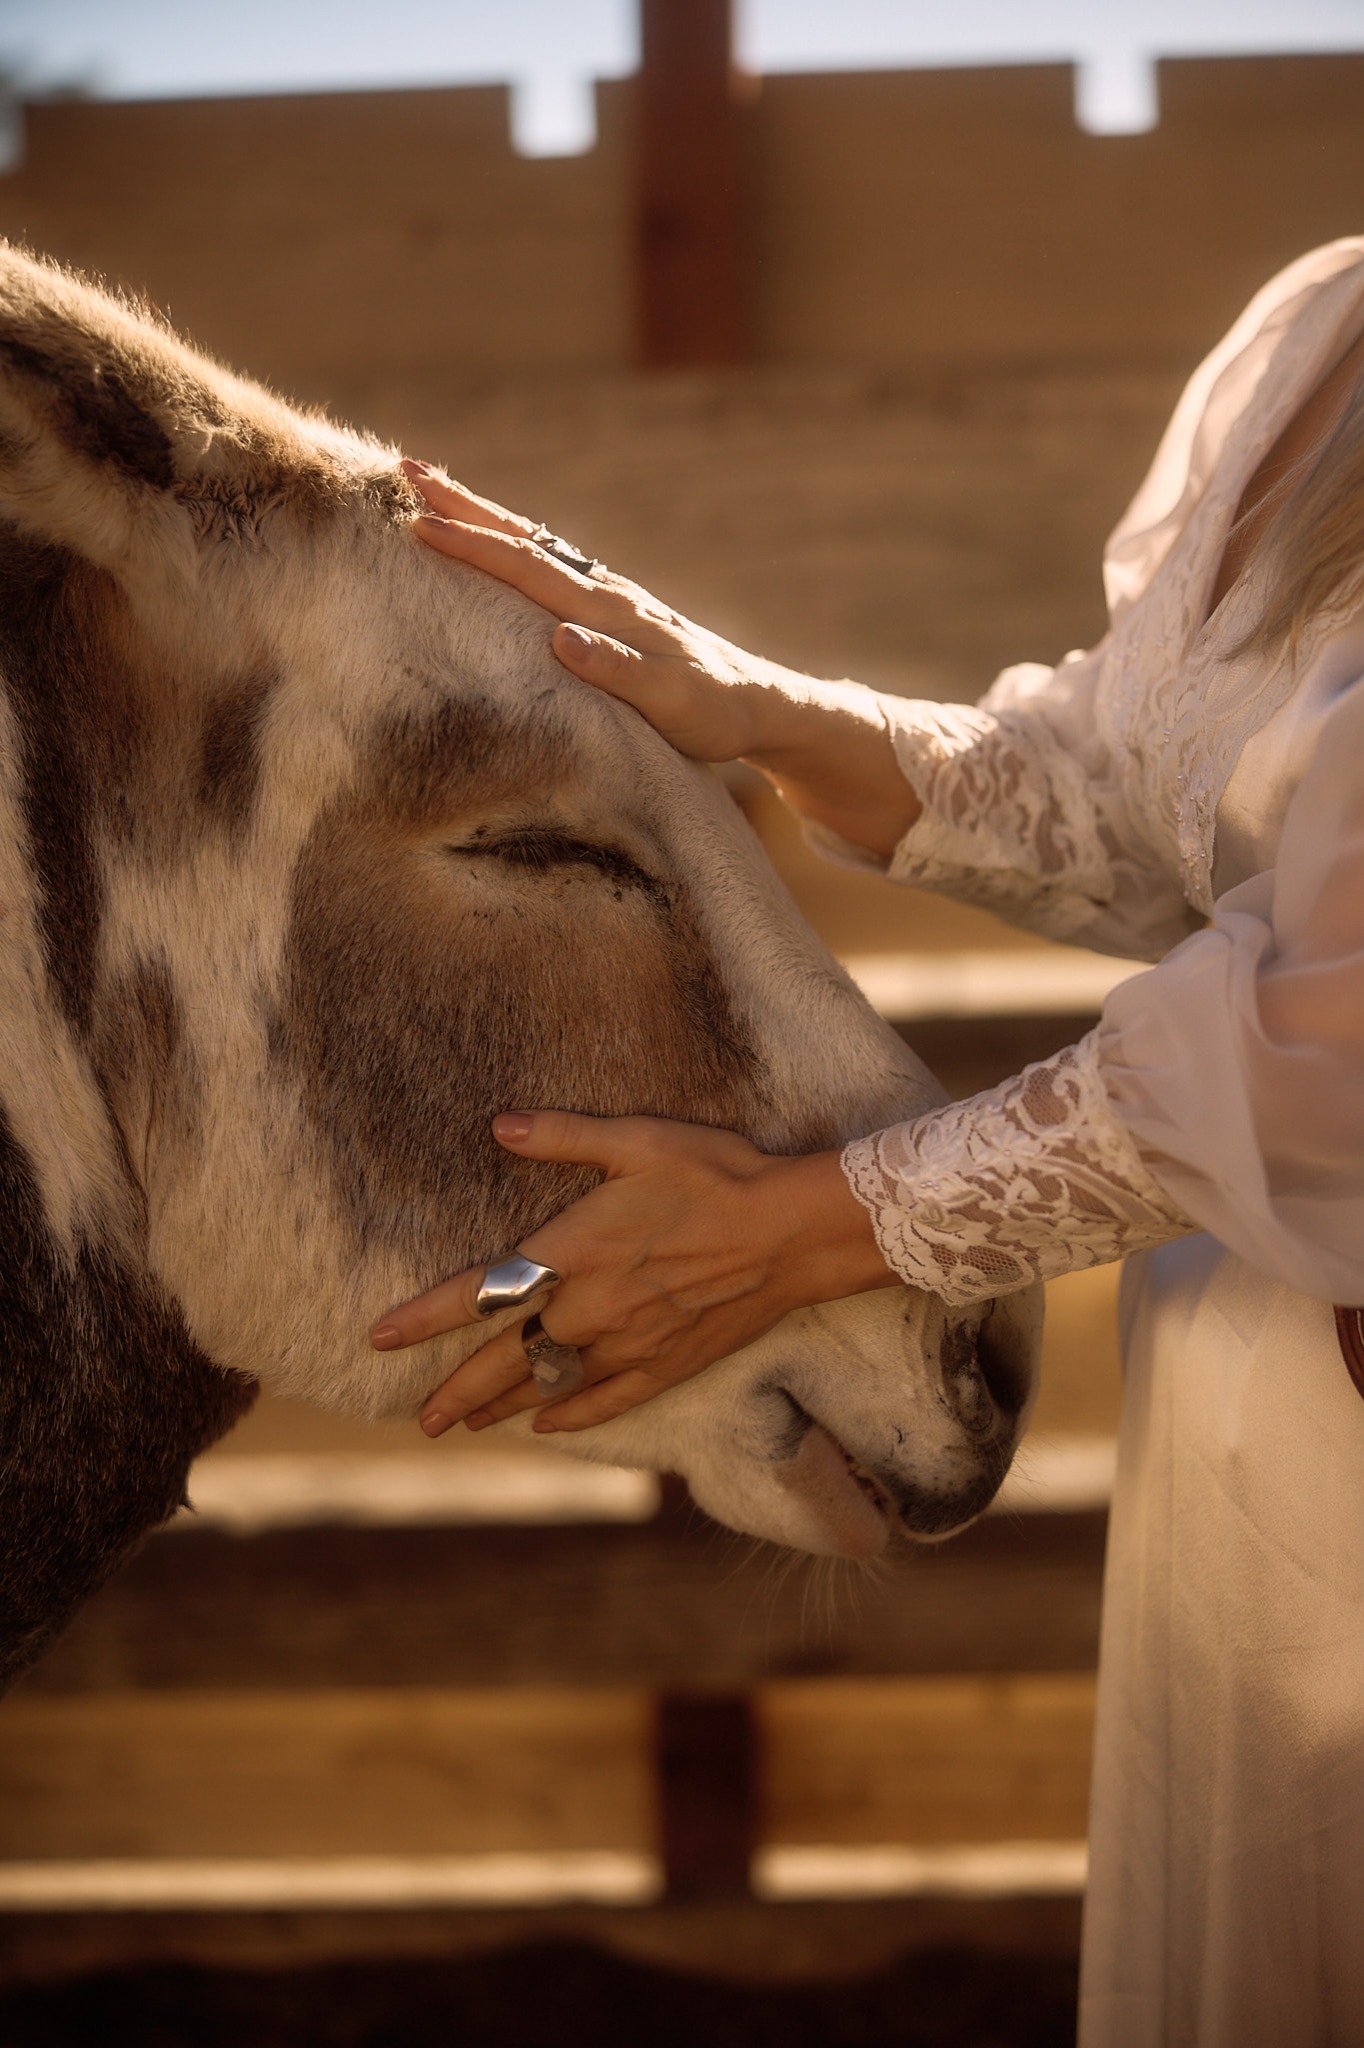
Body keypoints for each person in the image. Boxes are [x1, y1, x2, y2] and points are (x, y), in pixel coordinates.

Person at [370, 240, 1364, 2046]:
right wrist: (751, 705)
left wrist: (817, 1226)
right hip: (1264, 1452)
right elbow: (1133, 795)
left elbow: (1339, 1037)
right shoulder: (1321, 332)